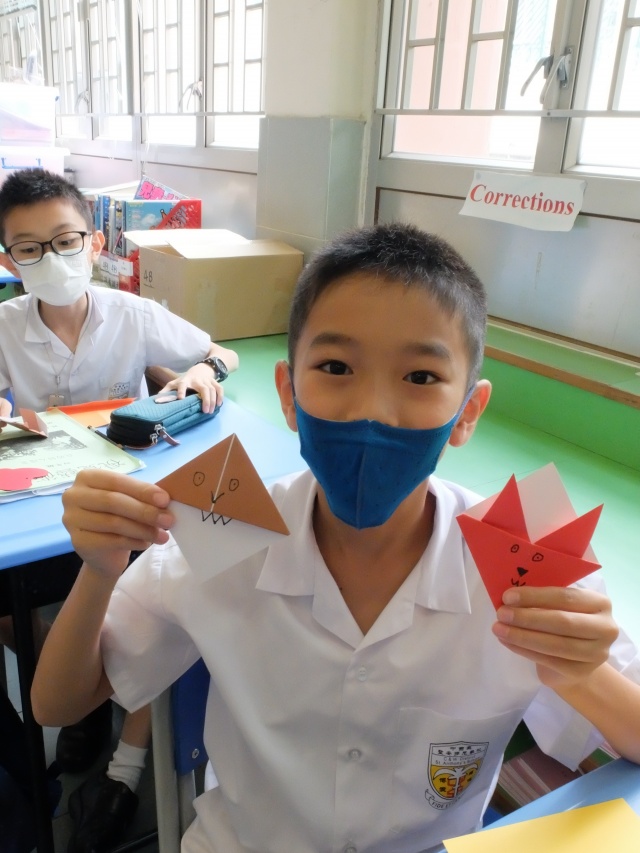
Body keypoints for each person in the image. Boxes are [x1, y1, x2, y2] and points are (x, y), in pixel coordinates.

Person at [32, 223, 640, 853]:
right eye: (336, 367)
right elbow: (56, 704)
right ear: (289, 395)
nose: (373, 409)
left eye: (421, 377)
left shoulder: (526, 557)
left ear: (468, 412)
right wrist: (99, 571)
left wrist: (579, 673)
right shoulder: (224, 529)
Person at [0, 167, 239, 852]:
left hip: (128, 506)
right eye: (29, 248)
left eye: (65, 240)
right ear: (9, 260)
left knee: (164, 606)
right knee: (13, 607)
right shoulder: (4, 327)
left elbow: (217, 352)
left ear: (95, 239)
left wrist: (202, 372)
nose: (51, 258)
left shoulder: (133, 313)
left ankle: (125, 768)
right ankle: (82, 690)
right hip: (41, 511)